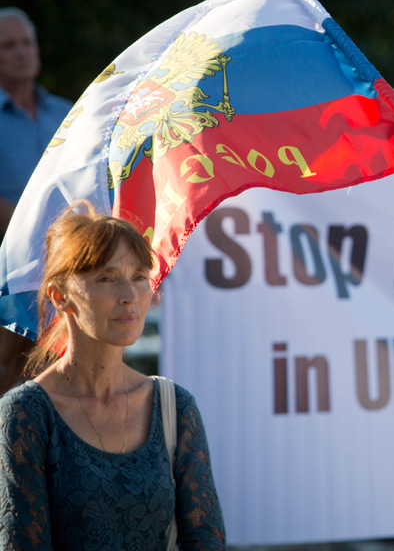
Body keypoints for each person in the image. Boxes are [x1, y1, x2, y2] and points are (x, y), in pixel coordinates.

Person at [0, 201, 226, 548]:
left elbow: (205, 540)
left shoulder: (174, 407)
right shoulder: (25, 413)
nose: (129, 296)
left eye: (139, 277)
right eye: (106, 278)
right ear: (60, 296)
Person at [0, 7, 73, 396]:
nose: (21, 52)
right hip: (8, 282)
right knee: (12, 388)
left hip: (70, 271)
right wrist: (30, 226)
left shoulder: (67, 114)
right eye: (8, 45)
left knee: (68, 381)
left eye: (26, 42)